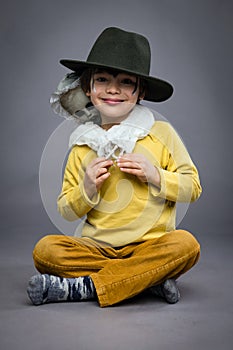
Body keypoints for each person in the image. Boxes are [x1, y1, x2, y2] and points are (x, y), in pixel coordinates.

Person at [27, 27, 202, 307]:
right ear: (88, 88)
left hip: (150, 247)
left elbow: (193, 187)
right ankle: (147, 281)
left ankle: (84, 288)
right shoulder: (83, 145)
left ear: (140, 90)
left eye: (125, 81)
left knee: (185, 245)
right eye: (103, 79)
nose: (112, 89)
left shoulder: (161, 133)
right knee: (45, 251)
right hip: (96, 250)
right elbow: (65, 210)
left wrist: (156, 175)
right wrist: (85, 189)